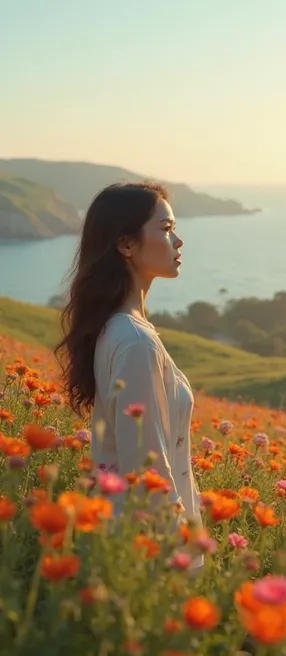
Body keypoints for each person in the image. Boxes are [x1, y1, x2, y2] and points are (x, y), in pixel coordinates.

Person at [55, 182, 201, 526]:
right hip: (147, 551)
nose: (178, 241)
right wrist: (184, 562)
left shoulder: (117, 329)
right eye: (166, 229)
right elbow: (149, 475)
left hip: (124, 537)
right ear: (126, 244)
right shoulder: (135, 342)